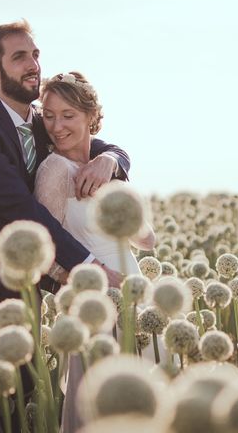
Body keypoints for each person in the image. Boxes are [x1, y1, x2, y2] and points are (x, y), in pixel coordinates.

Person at [0, 21, 131, 430]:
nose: (34, 65)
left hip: (23, 298)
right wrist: (89, 269)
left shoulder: (41, 121)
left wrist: (113, 159)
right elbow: (20, 209)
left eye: (35, 55)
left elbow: (89, 137)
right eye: (20, 57)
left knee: (21, 415)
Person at [34, 72, 157, 433]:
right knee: (100, 404)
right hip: (92, 302)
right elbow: (47, 247)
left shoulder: (108, 166)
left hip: (133, 288)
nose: (56, 126)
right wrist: (91, 282)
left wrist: (114, 177)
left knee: (146, 393)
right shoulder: (53, 169)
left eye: (68, 115)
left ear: (91, 116)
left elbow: (146, 240)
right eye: (49, 115)